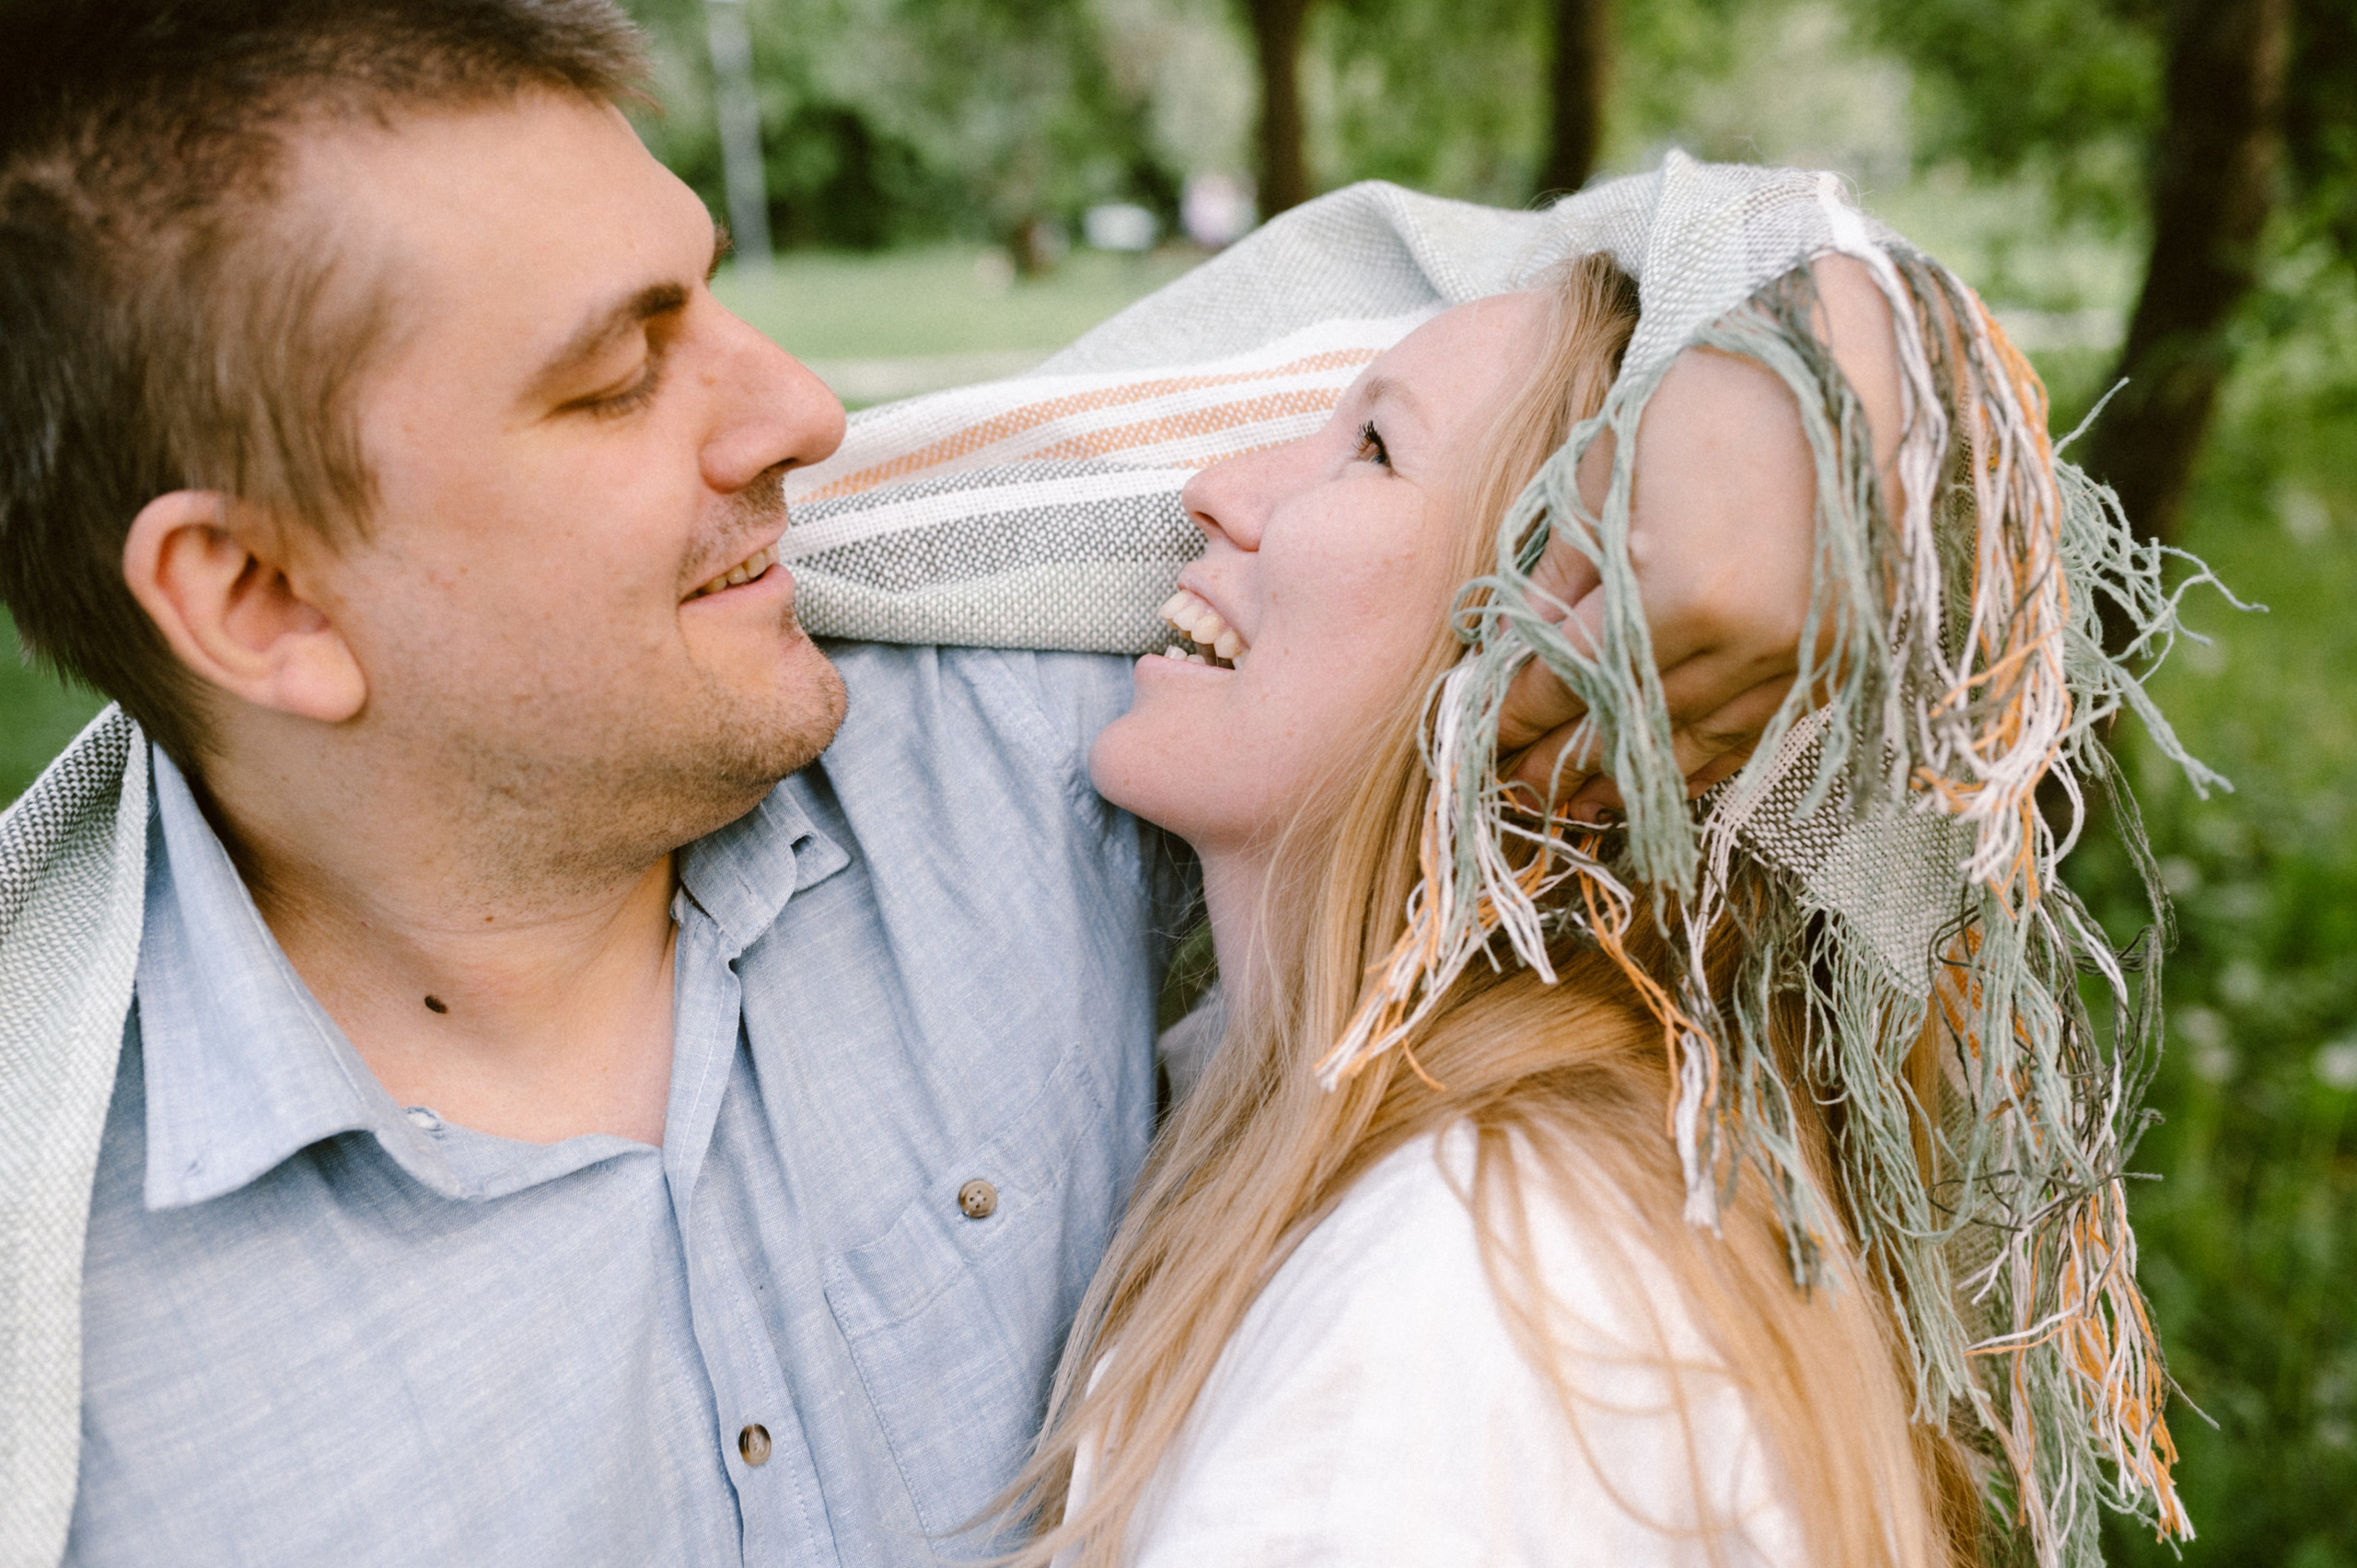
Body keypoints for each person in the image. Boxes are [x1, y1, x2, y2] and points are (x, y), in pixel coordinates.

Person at [0, 5, 1828, 1565]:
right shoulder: (71, 1350)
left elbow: (1706, 266)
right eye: (622, 373)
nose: (795, 409)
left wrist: (1770, 450)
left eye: (707, 295)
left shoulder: (1056, 711)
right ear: (255, 596)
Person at [1010, 237, 2200, 1562]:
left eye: (1373, 452)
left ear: (1574, 687)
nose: (1215, 488)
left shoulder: (1464, 1296)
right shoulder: (1327, 1116)